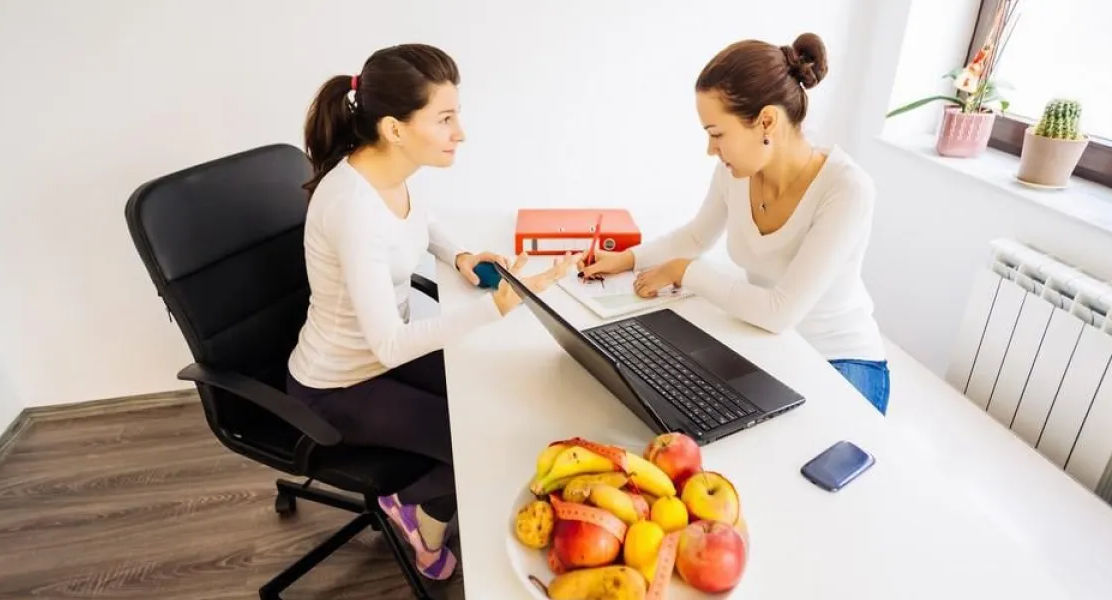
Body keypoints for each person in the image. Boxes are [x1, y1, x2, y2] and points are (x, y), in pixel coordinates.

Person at [285, 44, 574, 581]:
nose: (459, 132)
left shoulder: (383, 172)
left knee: (493, 397)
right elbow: (390, 344)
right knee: (479, 441)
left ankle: (424, 497)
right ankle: (414, 513)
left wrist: (460, 255)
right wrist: (497, 306)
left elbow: (419, 219)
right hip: (338, 386)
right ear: (395, 128)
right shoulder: (352, 207)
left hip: (379, 360)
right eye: (444, 118)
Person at [578, 34, 890, 414]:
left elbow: (779, 312)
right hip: (770, 345)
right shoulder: (736, 172)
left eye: (717, 134)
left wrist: (683, 271)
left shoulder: (846, 188)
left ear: (766, 121)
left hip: (840, 360)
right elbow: (695, 236)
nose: (711, 149)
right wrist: (626, 259)